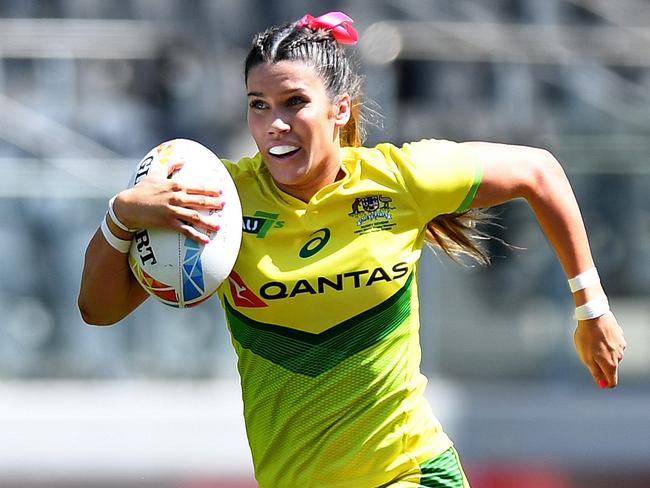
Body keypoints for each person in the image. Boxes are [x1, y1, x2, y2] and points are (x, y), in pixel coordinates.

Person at [78, 11, 626, 488]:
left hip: (411, 471)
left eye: (295, 102)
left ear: (340, 109)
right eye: (258, 105)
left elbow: (539, 171)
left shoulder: (399, 180)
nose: (275, 125)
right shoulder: (216, 200)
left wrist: (590, 307)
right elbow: (97, 310)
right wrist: (121, 217)